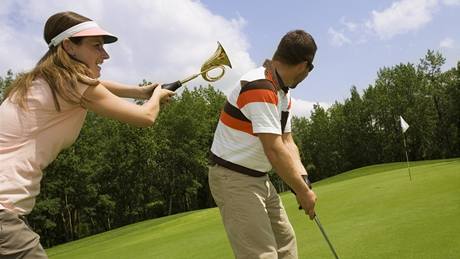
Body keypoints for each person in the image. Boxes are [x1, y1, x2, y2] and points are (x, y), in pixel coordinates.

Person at [0, 11, 174, 258]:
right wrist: (156, 97)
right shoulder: (70, 83)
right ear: (69, 46)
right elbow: (145, 118)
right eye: (96, 46)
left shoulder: (43, 79)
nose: (105, 55)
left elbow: (95, 85)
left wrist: (141, 91)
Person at [208, 30, 317, 259]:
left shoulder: (283, 95)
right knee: (262, 255)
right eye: (311, 68)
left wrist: (303, 179)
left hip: (259, 178)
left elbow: (288, 142)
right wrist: (300, 191)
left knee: (286, 243)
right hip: (233, 178)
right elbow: (274, 150)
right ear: (303, 66)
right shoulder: (259, 86)